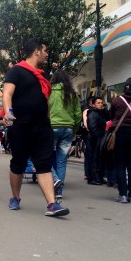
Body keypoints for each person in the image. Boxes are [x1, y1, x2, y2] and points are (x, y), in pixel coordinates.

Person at [2, 37, 69, 217]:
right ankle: (15, 197)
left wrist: (47, 119)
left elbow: (44, 101)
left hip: (42, 128)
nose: (47, 54)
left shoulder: (42, 75)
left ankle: (52, 204)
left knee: (44, 164)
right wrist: (8, 113)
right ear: (37, 51)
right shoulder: (16, 71)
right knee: (18, 164)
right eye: (45, 50)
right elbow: (7, 94)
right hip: (21, 126)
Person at [48, 70, 81, 199]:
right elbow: (78, 114)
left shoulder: (49, 92)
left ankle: (55, 179)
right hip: (68, 128)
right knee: (62, 161)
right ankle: (59, 192)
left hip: (51, 128)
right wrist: (75, 130)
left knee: (45, 158)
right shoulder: (71, 94)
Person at [87, 97, 107, 185]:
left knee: (99, 158)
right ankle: (94, 178)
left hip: (99, 137)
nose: (100, 104)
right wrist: (97, 136)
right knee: (95, 158)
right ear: (94, 104)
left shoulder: (100, 113)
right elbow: (92, 127)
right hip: (95, 139)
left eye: (101, 103)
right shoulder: (93, 114)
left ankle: (98, 177)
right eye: (98, 103)